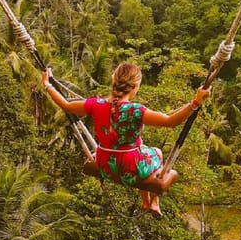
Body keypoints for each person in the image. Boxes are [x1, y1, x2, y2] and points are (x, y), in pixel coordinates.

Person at [41, 62, 211, 216]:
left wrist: (47, 85)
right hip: (131, 169)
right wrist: (195, 102)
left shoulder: (96, 104)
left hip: (105, 165)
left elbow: (65, 105)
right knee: (156, 152)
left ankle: (146, 202)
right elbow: (170, 122)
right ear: (135, 86)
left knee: (141, 149)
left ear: (113, 81)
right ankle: (153, 201)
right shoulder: (136, 110)